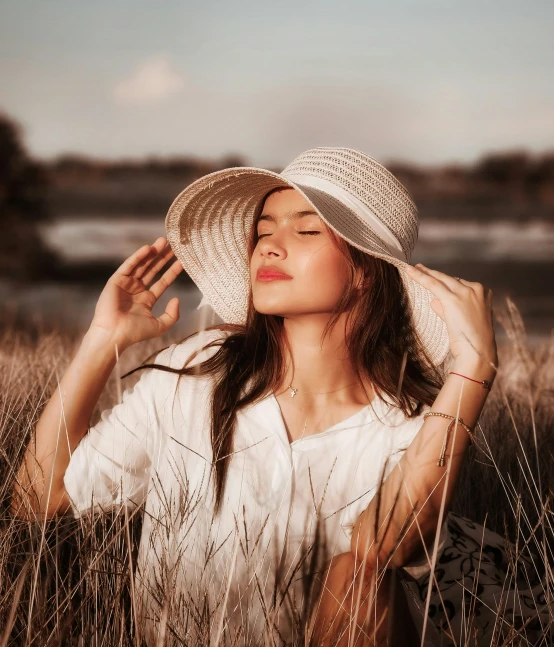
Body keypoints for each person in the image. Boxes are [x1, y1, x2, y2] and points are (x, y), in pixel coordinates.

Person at [11, 146, 532, 646]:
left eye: (306, 229)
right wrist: (103, 340)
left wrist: (472, 371)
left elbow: (384, 550)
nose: (269, 246)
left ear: (366, 271)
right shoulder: (196, 373)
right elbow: (38, 501)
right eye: (263, 230)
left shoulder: (410, 423)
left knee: (356, 577)